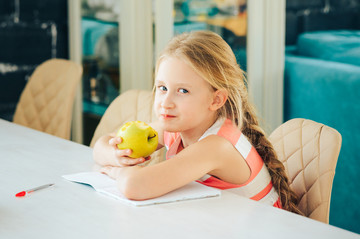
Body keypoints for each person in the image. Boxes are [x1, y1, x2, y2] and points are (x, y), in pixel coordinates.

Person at [93, 30, 303, 214]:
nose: (166, 103)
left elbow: (134, 186)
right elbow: (100, 148)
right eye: (162, 88)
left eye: (182, 91)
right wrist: (117, 155)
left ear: (216, 99)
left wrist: (118, 171)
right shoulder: (177, 126)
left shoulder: (217, 146)